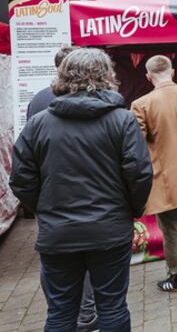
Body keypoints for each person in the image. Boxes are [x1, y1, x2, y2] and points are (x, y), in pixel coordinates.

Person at [11, 48, 153, 331]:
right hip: (109, 230)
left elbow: (20, 179)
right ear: (107, 77)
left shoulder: (39, 124)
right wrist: (131, 211)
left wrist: (46, 208)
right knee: (112, 306)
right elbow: (139, 174)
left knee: (62, 312)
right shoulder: (121, 120)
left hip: (59, 232)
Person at [26, 45, 100, 332]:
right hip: (93, 198)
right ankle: (86, 314)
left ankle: (68, 312)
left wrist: (38, 203)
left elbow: (24, 168)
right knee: (91, 259)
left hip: (52, 200)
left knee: (56, 260)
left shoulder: (38, 101)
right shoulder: (102, 102)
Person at [131, 55, 177, 293]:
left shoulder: (141, 104)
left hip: (165, 177)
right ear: (172, 72)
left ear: (148, 76)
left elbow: (137, 146)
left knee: (171, 228)